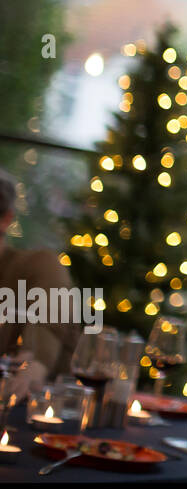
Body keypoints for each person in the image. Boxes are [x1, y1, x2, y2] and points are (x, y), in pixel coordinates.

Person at [0, 168, 82, 399]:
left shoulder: (39, 265)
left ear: (6, 219)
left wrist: (28, 370)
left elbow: (45, 335)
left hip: (34, 416)